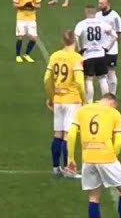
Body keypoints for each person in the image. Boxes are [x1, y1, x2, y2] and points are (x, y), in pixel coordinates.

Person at [66, 94, 121, 218]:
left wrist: (70, 158)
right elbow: (118, 141)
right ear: (112, 103)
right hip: (107, 157)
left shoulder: (82, 110)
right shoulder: (114, 113)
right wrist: (114, 157)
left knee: (93, 197)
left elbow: (71, 134)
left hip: (88, 159)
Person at [44, 30, 86, 178]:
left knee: (57, 134)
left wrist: (50, 96)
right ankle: (69, 168)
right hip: (72, 100)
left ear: (63, 41)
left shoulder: (55, 56)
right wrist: (85, 100)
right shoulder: (77, 58)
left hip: (58, 99)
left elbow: (47, 78)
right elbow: (80, 82)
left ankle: (56, 167)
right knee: (69, 134)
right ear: (74, 40)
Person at [75, 5, 115, 102]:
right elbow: (114, 36)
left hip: (88, 54)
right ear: (95, 13)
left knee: (89, 79)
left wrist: (80, 49)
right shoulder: (102, 23)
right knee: (102, 78)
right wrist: (107, 48)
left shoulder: (82, 24)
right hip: (100, 54)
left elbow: (76, 36)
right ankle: (106, 101)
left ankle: (89, 102)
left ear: (86, 12)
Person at [97, 0, 121, 96]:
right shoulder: (98, 15)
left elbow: (119, 32)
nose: (99, 5)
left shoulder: (115, 16)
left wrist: (116, 45)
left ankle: (112, 95)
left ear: (108, 4)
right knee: (102, 73)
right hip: (100, 49)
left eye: (101, 3)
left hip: (111, 49)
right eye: (99, 3)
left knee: (111, 72)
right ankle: (106, 95)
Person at [13, 0, 42, 64]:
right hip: (21, 17)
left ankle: (26, 54)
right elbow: (14, 5)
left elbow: (39, 6)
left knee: (33, 38)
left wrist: (32, 6)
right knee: (20, 36)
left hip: (31, 18)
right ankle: (18, 55)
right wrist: (23, 5)